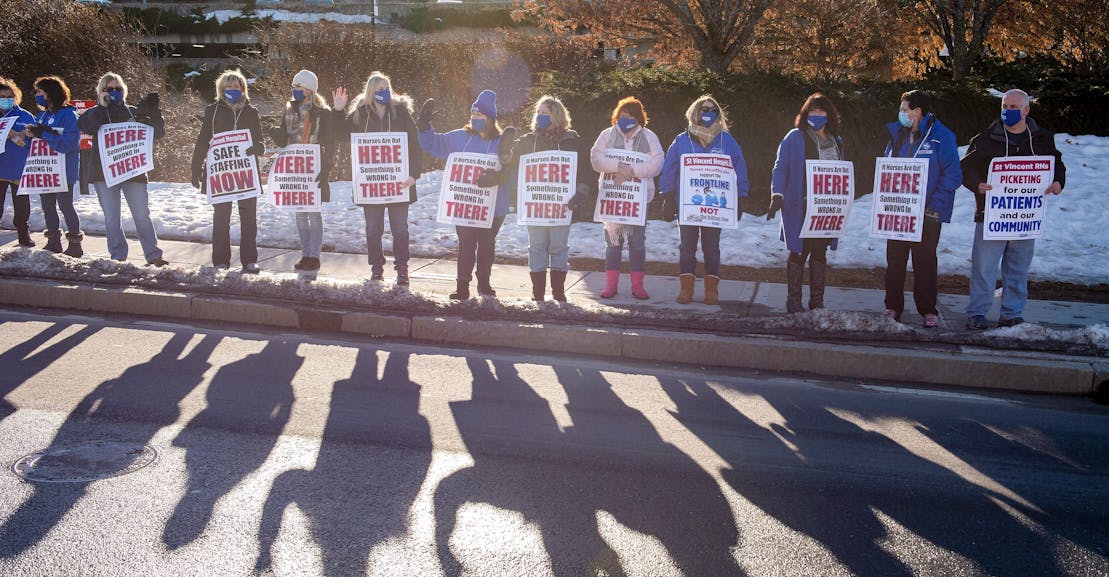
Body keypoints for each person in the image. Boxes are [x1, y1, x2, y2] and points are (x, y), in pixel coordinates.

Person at [960, 88, 1065, 329]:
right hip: (990, 216)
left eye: (1013, 108)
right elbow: (965, 168)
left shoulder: (1041, 139)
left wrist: (1058, 181)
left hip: (1025, 218)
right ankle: (977, 313)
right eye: (1005, 107)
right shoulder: (985, 139)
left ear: (1026, 110)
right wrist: (977, 184)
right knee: (984, 269)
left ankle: (1011, 313)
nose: (1008, 112)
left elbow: (1057, 163)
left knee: (1017, 269)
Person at [417, 89, 515, 299]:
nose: (475, 118)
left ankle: (484, 284)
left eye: (480, 115)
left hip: (494, 205)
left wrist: (497, 177)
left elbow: (512, 172)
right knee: (467, 243)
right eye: (473, 114)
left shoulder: (500, 142)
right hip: (465, 203)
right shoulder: (460, 137)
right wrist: (424, 126)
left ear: (490, 118)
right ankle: (462, 286)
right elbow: (434, 143)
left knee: (487, 243)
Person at [659, 94, 749, 305]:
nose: (707, 114)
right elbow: (669, 168)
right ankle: (686, 289)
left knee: (712, 247)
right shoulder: (682, 140)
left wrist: (741, 196)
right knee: (687, 247)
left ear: (718, 115)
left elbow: (740, 166)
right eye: (704, 109)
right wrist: (667, 196)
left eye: (712, 110)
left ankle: (712, 290)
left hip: (715, 207)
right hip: (688, 205)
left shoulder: (726, 140)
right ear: (695, 112)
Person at [882, 90, 961, 327]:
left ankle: (928, 310)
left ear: (917, 112)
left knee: (924, 261)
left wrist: (934, 205)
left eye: (904, 110)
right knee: (895, 260)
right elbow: (887, 167)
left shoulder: (941, 136)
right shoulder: (896, 134)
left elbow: (953, 174)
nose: (901, 114)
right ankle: (892, 306)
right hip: (899, 211)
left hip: (928, 212)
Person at [503, 95, 593, 302]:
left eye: (546, 113)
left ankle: (558, 291)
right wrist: (505, 147)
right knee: (536, 247)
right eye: (539, 113)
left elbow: (585, 171)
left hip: (562, 206)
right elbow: (509, 160)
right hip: (535, 206)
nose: (540, 116)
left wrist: (580, 192)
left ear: (558, 116)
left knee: (559, 247)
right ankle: (538, 292)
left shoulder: (572, 141)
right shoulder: (528, 141)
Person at [334, 71, 421, 284]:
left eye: (386, 88)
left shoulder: (401, 112)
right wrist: (337, 110)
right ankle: (376, 268)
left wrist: (414, 174)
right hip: (371, 185)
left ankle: (402, 268)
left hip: (399, 183)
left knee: (400, 229)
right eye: (379, 89)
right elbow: (338, 134)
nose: (384, 92)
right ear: (370, 92)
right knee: (373, 229)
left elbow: (414, 144)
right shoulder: (360, 114)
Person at [768, 93, 848, 313]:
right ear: (804, 114)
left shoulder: (836, 141)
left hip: (825, 208)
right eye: (812, 112)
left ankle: (817, 302)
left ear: (829, 115)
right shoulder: (795, 137)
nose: (817, 116)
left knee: (819, 253)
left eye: (821, 112)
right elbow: (780, 167)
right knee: (798, 252)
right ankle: (794, 302)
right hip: (800, 207)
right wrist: (777, 195)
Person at [77, 72, 168, 266]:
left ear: (124, 90)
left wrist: (155, 113)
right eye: (109, 89)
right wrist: (102, 107)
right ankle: (118, 256)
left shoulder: (134, 112)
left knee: (142, 215)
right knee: (112, 217)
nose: (114, 92)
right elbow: (86, 126)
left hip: (133, 172)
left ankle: (153, 255)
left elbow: (158, 133)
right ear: (101, 92)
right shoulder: (96, 112)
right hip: (105, 173)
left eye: (117, 88)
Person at [190, 69, 265, 273]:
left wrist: (257, 148)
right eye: (229, 86)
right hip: (220, 174)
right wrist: (195, 166)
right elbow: (202, 141)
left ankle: (250, 259)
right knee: (221, 218)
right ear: (222, 89)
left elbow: (259, 141)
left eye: (237, 86)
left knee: (249, 218)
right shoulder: (212, 111)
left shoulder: (252, 111)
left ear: (243, 89)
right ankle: (220, 261)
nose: (233, 89)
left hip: (246, 174)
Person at [589, 96, 664, 299]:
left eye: (630, 116)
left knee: (637, 243)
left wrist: (633, 170)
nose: (625, 119)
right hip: (612, 198)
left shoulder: (649, 137)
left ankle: (637, 286)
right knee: (613, 243)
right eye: (622, 116)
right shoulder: (607, 134)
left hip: (638, 201)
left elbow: (657, 164)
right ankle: (610, 286)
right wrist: (617, 167)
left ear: (639, 118)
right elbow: (596, 159)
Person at [271, 69, 336, 272]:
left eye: (298, 86)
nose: (295, 90)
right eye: (294, 86)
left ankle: (314, 256)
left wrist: (326, 168)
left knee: (314, 214)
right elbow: (283, 140)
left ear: (309, 88)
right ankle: (305, 253)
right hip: (295, 170)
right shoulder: (288, 111)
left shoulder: (322, 113)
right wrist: (273, 132)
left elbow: (330, 143)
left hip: (314, 169)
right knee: (300, 214)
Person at [24, 76, 82, 256]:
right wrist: (30, 136)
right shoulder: (42, 115)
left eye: (40, 91)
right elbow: (36, 144)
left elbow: (68, 144)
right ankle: (53, 241)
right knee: (47, 206)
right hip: (46, 169)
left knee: (65, 206)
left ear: (51, 92)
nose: (37, 95)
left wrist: (44, 134)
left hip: (63, 170)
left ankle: (74, 244)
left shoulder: (68, 114)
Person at [0, 76, 37, 247]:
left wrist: (25, 137)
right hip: (1, 167)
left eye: (9, 97)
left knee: (22, 206)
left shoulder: (25, 115)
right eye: (3, 97)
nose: (6, 100)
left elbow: (36, 139)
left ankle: (23, 234)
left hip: (19, 167)